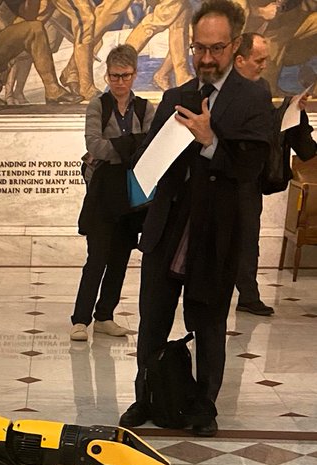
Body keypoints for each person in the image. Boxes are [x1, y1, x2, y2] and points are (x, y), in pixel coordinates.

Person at [119, 0, 274, 437]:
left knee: (207, 325)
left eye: (216, 49)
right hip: (168, 230)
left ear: (236, 45)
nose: (206, 59)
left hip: (215, 235)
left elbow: (253, 170)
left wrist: (209, 142)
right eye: (198, 49)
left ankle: (204, 405)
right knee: (152, 321)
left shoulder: (254, 98)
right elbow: (152, 162)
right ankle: (144, 397)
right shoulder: (177, 96)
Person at [70, 44, 153, 342]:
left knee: (120, 257)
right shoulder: (98, 105)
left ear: (134, 75)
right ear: (107, 75)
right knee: (97, 258)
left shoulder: (144, 107)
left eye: (125, 76)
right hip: (103, 191)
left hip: (130, 193)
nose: (119, 82)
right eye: (114, 76)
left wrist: (118, 148)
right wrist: (129, 146)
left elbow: (149, 149)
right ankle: (80, 319)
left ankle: (105, 315)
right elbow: (95, 146)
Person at [233, 31, 314, 315]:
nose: (264, 64)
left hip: (250, 180)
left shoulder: (262, 88)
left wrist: (290, 108)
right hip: (225, 177)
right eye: (259, 59)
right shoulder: (225, 90)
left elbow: (268, 128)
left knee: (248, 238)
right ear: (239, 59)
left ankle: (248, 295)